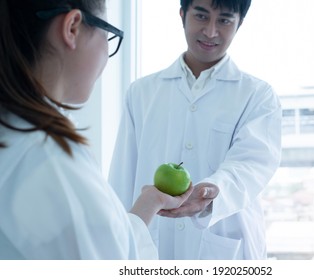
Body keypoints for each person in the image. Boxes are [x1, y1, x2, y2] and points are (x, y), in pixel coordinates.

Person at [0, 0, 193, 260]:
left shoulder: (16, 134)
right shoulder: (51, 164)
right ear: (72, 27)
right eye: (109, 35)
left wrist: (149, 205)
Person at [109, 0, 282, 260]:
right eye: (201, 16)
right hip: (153, 242)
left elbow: (252, 166)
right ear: (182, 15)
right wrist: (117, 237)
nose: (211, 31)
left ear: (239, 24)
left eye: (224, 20)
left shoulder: (257, 95)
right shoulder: (142, 92)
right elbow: (123, 175)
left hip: (225, 246)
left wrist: (212, 190)